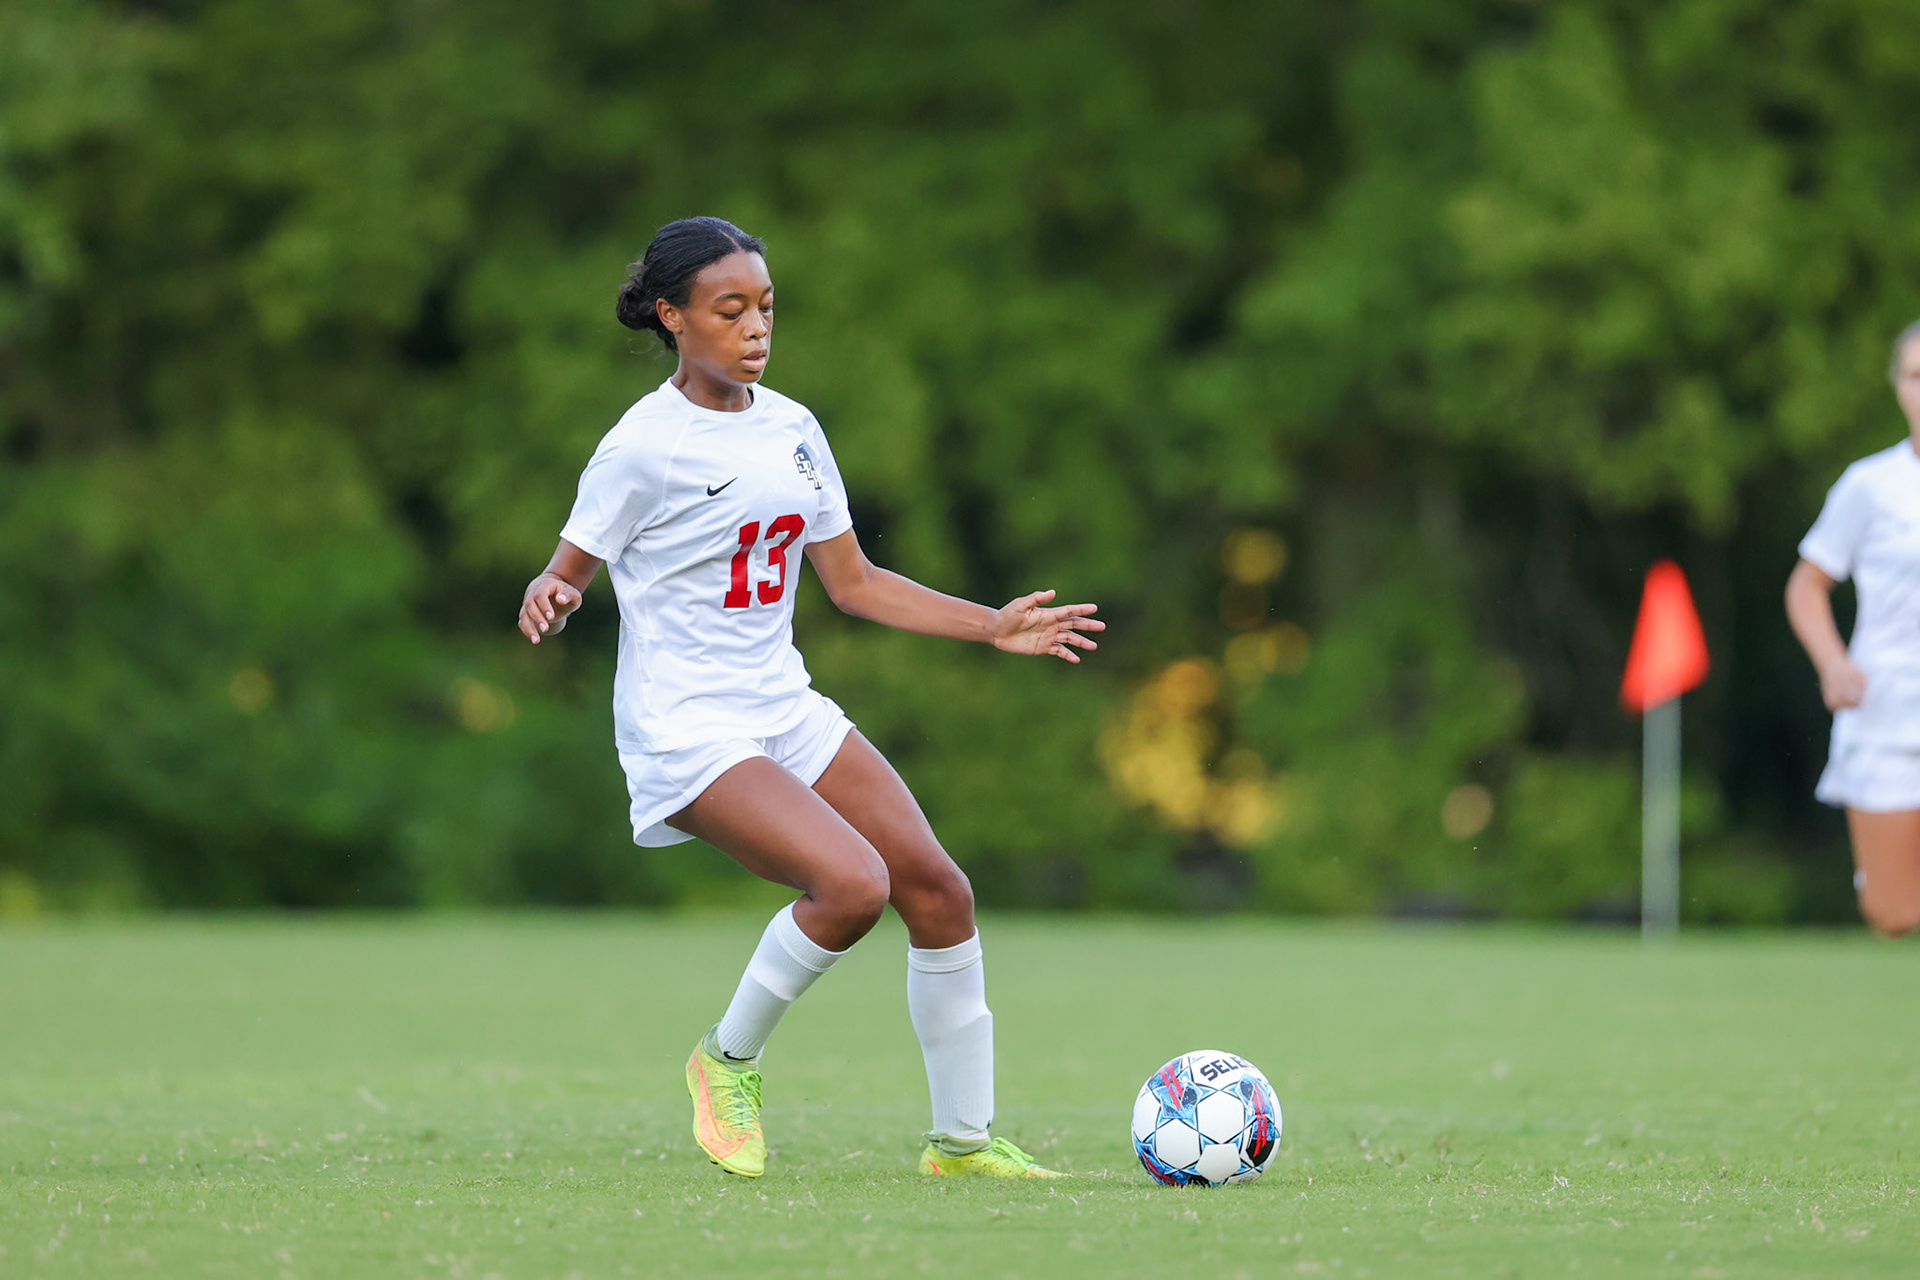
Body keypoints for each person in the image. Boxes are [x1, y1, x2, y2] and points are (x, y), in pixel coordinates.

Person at [516, 217, 1103, 1177]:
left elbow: (856, 584)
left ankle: (960, 1143)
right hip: (687, 724)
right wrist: (556, 590)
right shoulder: (642, 446)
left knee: (938, 891)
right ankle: (725, 1063)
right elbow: (568, 569)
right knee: (852, 884)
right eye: (729, 309)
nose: (755, 328)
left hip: (782, 707)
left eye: (766, 308)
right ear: (672, 317)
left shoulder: (792, 428)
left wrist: (992, 625)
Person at [1786, 319, 1920, 938]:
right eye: (1917, 377)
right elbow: (1808, 585)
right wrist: (1832, 662)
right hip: (1887, 713)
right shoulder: (1870, 486)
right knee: (1891, 913)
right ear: (1897, 387)